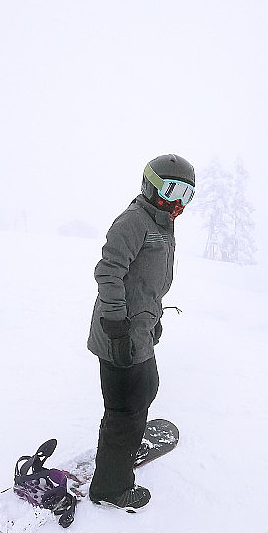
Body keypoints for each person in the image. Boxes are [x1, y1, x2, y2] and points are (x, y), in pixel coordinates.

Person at [86, 154, 195, 510]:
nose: (177, 201)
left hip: (139, 329)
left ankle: (119, 446)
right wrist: (116, 325)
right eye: (171, 190)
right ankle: (111, 487)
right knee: (126, 407)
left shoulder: (160, 222)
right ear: (150, 185)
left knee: (142, 392)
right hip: (120, 331)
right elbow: (109, 272)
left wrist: (155, 315)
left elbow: (145, 282)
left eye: (186, 194)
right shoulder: (135, 221)